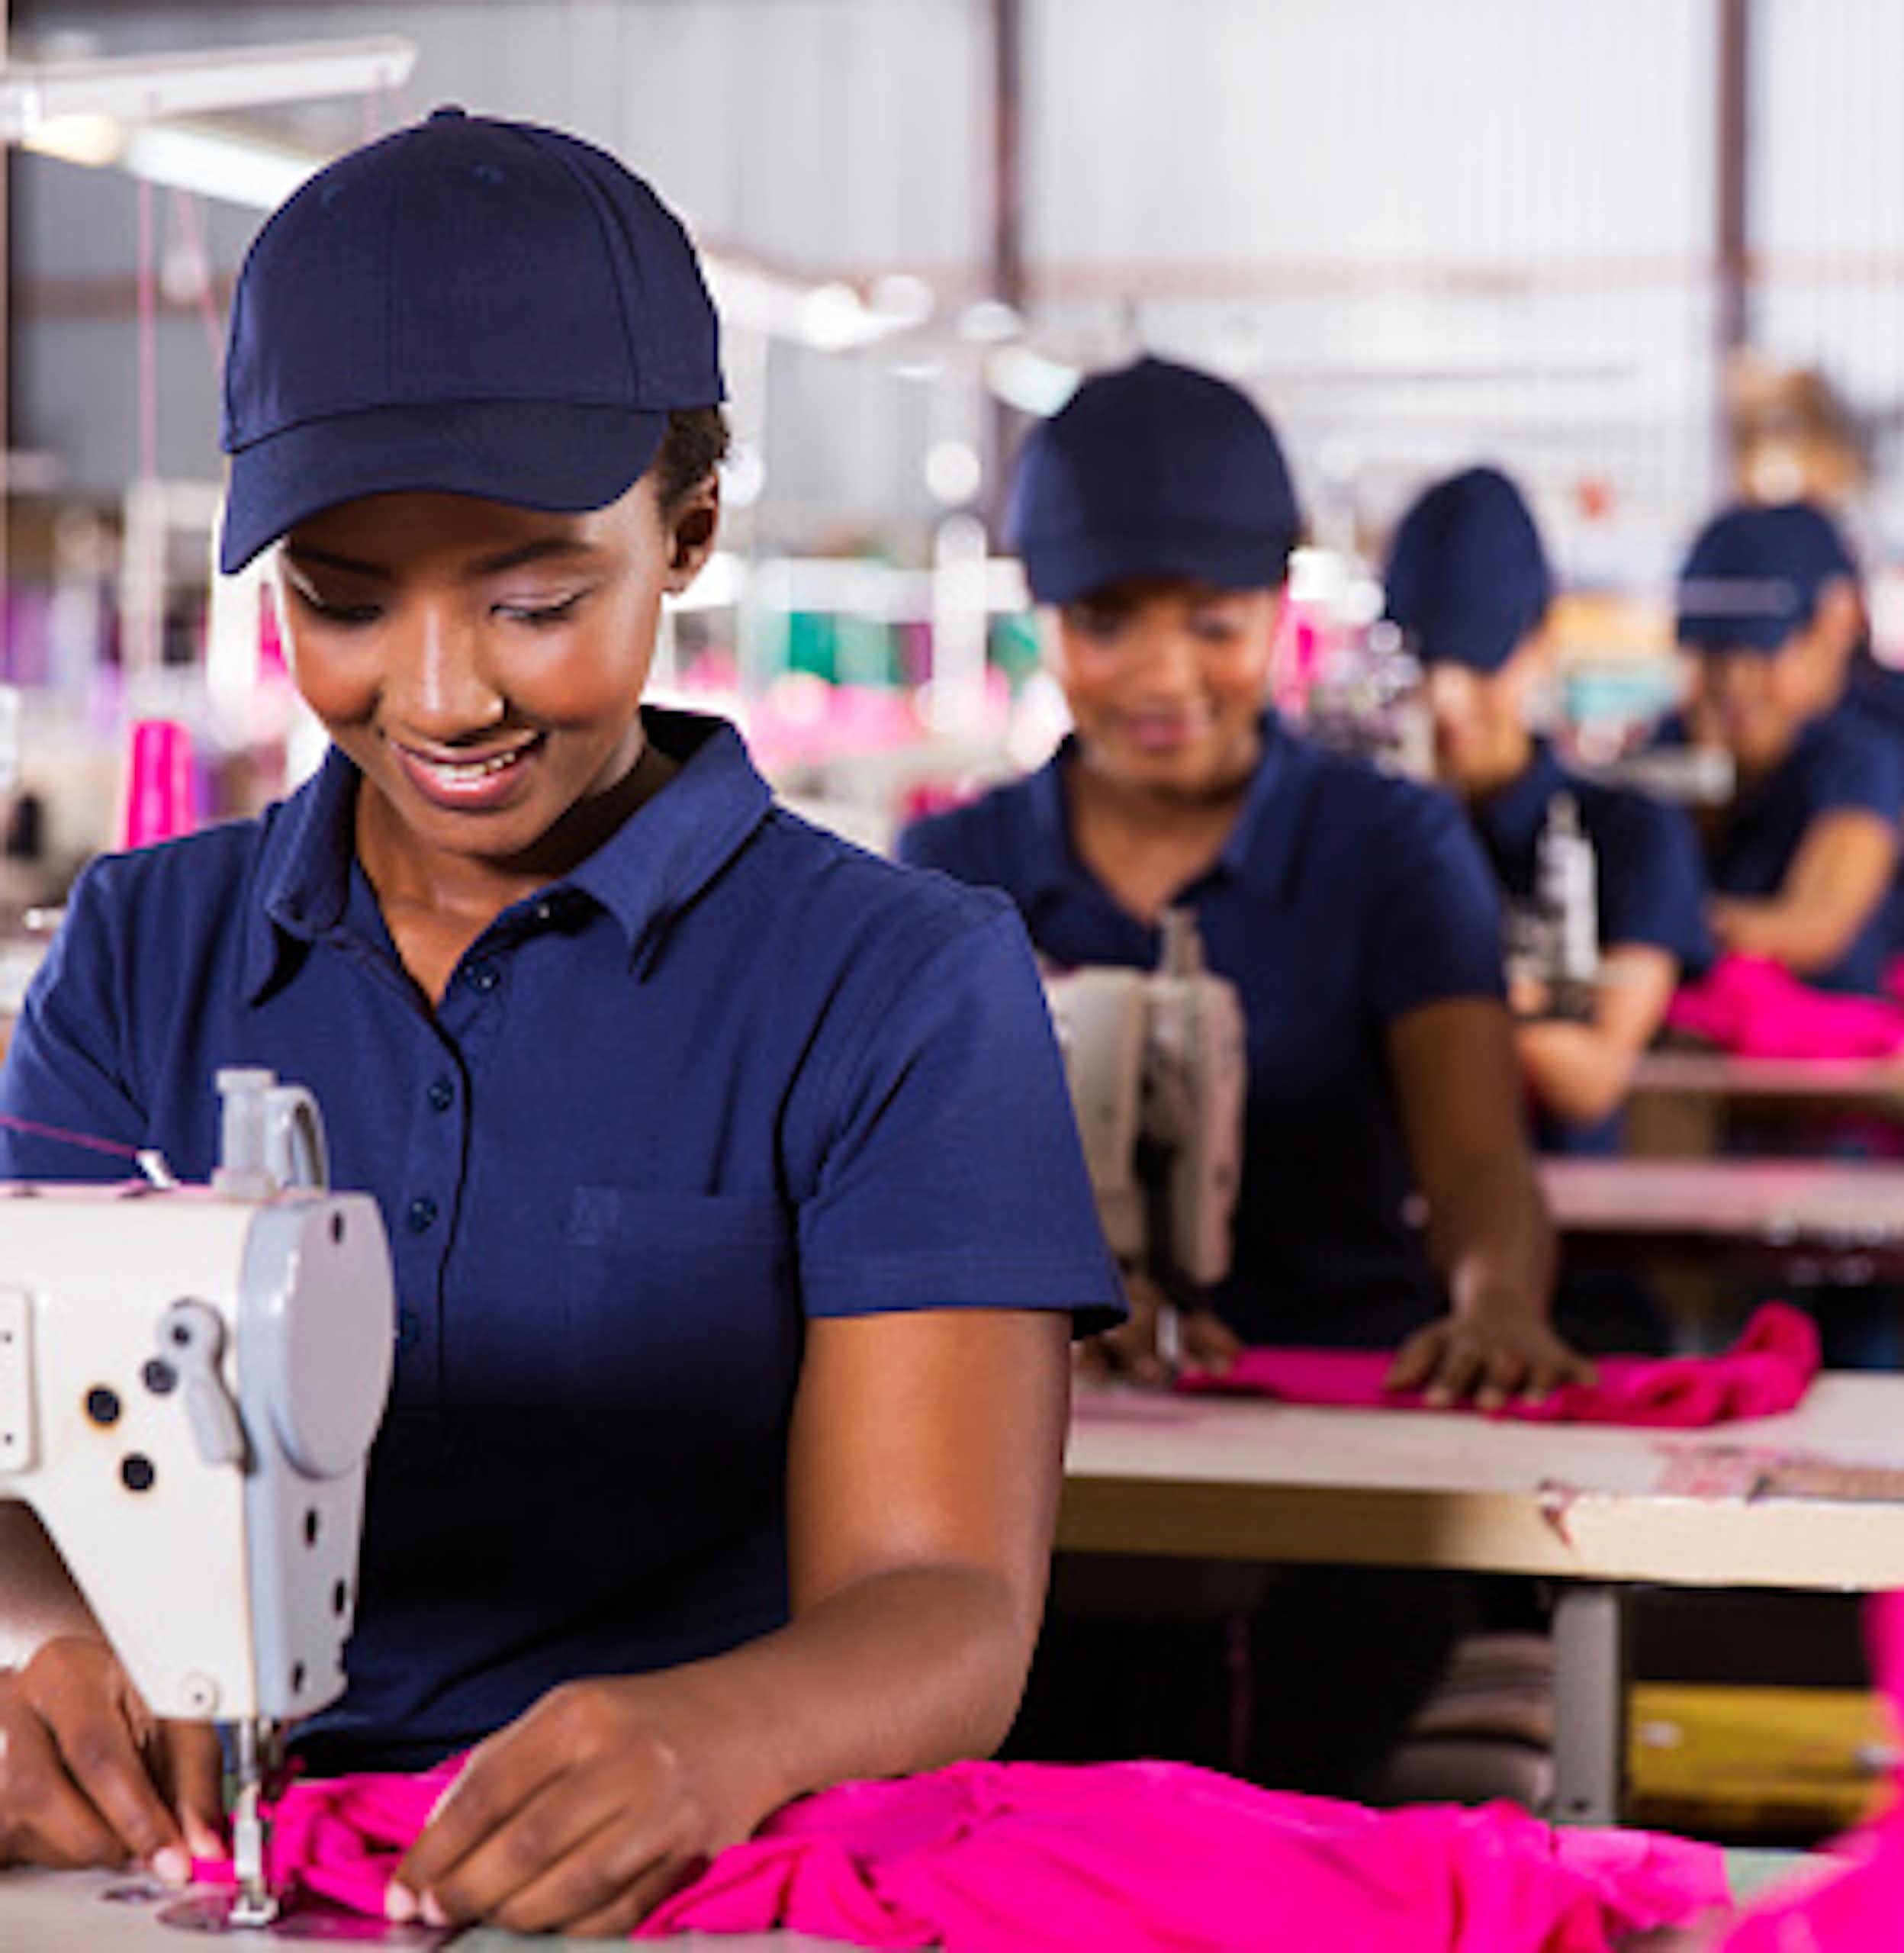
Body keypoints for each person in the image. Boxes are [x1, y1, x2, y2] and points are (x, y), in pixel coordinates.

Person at [0, 111, 1119, 1939]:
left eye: (533, 598)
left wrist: (709, 1735)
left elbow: (941, 1597)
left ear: (683, 533)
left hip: (683, 1878)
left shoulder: (896, 982)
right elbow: (21, 1459)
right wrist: (52, 1656)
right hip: (188, 1874)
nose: (437, 692)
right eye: (338, 603)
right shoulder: (140, 951)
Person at [902, 359, 1581, 1401]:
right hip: (1051, 1441)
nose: (1163, 675)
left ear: (1278, 606)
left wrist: (1494, 1304)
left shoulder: (1394, 847)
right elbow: (911, 1201)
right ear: (1040, 612)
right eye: (1105, 622)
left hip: (1351, 1419)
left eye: (1213, 623)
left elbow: (1478, 1162)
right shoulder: (951, 876)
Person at [1381, 466, 1713, 1157]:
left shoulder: (1633, 838)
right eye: (1425, 665)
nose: (1447, 698)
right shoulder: (1367, 832)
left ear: (1541, 643)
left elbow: (1590, 1078)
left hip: (1573, 1239)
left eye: (1479, 665)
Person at [1675, 502, 1904, 994]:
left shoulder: (1858, 757)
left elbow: (1816, 927)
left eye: (1761, 653)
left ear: (1831, 626)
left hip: (1821, 1056)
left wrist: (1650, 932)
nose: (1736, 681)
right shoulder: (1671, 747)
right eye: (1714, 653)